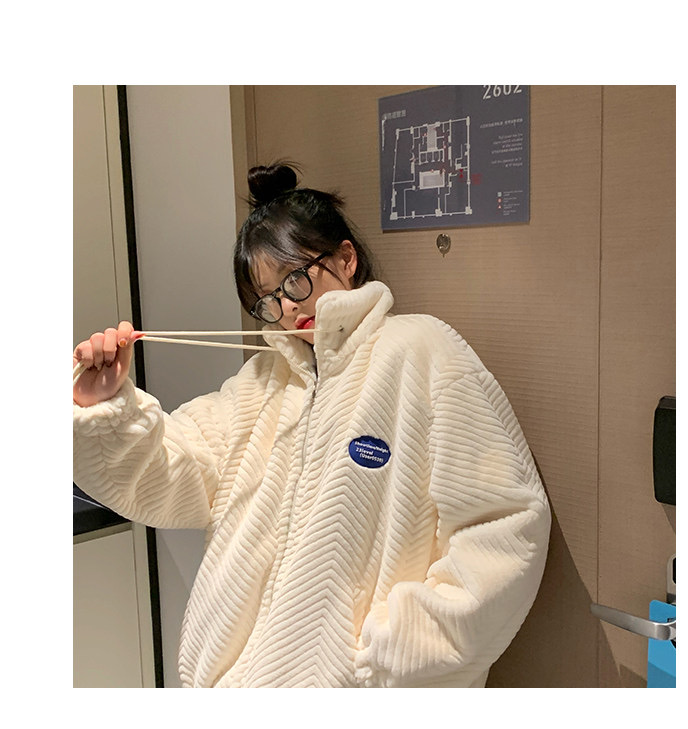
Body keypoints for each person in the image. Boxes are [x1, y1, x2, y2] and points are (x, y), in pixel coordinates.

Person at [73, 162, 551, 688]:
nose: (286, 306)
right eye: (267, 298)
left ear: (346, 258)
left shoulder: (420, 352)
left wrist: (387, 654)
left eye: (296, 279)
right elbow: (171, 474)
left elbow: (504, 529)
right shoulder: (263, 380)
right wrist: (104, 406)